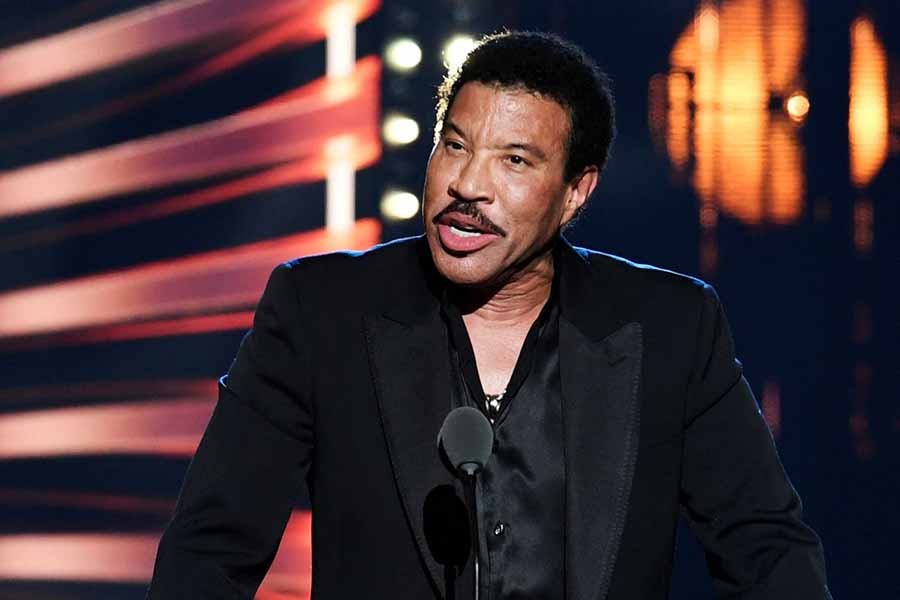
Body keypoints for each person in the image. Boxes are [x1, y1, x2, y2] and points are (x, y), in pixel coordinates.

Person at [147, 31, 831, 599]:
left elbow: (770, 553)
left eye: (514, 160)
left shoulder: (672, 329)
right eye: (455, 144)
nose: (468, 185)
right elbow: (208, 552)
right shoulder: (320, 312)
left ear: (574, 192)